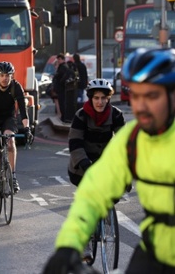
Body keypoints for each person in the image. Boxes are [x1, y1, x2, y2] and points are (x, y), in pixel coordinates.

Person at [43, 47, 175, 273]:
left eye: (151, 96)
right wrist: (67, 247)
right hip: (154, 252)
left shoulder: (117, 117)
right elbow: (93, 193)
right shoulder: (133, 138)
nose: (141, 106)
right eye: (136, 95)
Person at [67, 78, 125, 262]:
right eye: (96, 98)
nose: (100, 102)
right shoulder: (81, 116)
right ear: (90, 98)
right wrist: (85, 164)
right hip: (82, 164)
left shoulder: (116, 115)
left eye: (103, 98)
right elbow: (75, 143)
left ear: (108, 99)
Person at [0, 61, 32, 202]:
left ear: (11, 76)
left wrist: (27, 129)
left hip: (8, 119)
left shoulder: (16, 87)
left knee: (10, 142)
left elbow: (23, 111)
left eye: (8, 75)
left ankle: (13, 177)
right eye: (2, 75)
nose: (5, 78)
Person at [52, 53, 72, 122]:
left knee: (62, 103)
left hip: (62, 88)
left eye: (59, 59)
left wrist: (60, 81)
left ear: (62, 59)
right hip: (60, 88)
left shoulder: (63, 67)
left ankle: (64, 117)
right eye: (57, 59)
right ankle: (63, 117)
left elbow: (62, 76)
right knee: (61, 103)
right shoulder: (62, 66)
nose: (58, 60)